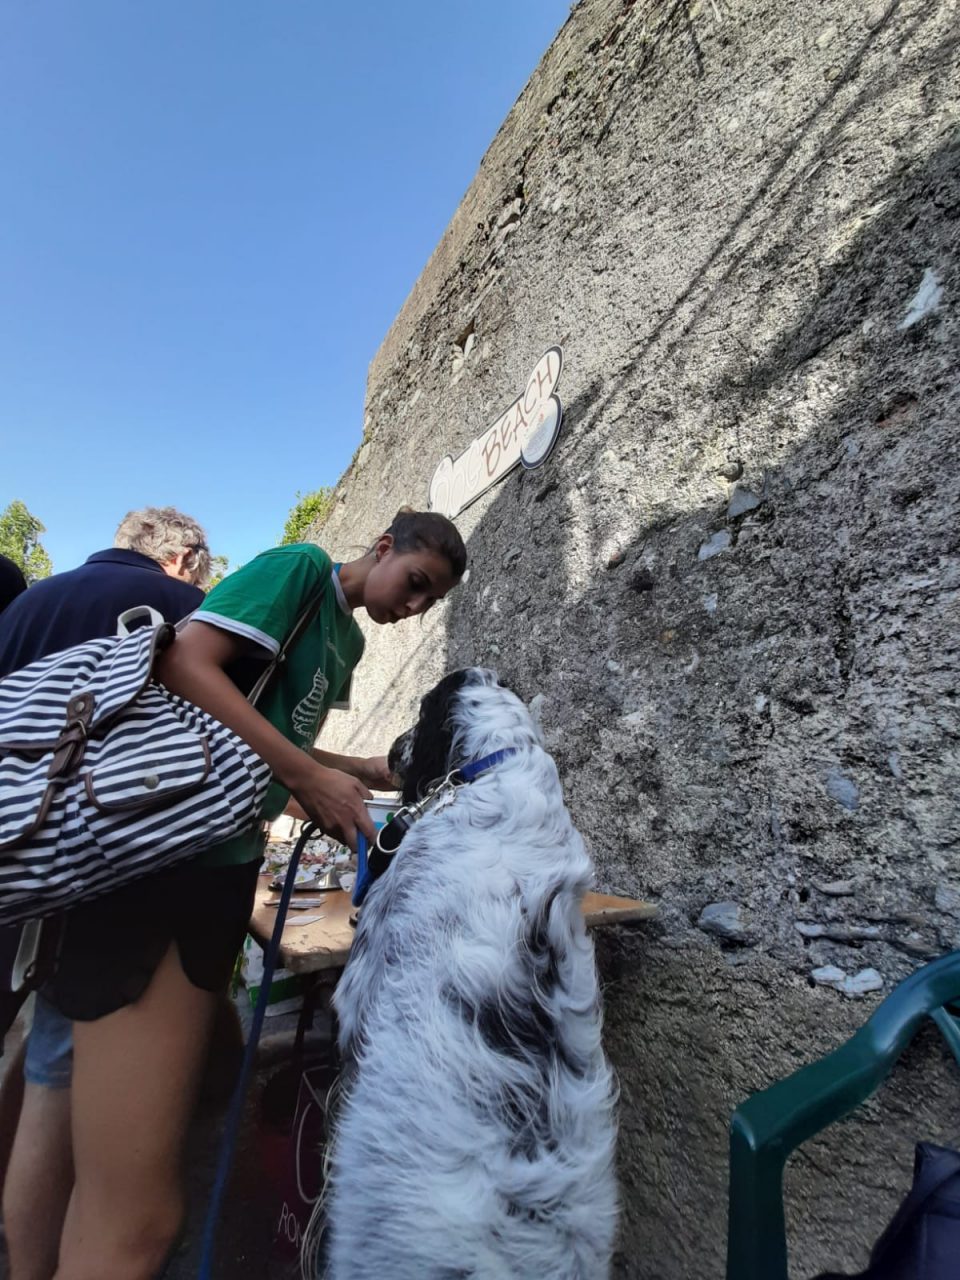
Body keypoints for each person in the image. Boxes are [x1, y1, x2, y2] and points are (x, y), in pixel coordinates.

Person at [14, 508, 466, 1280]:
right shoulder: (299, 568)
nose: (414, 606)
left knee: (61, 1115)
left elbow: (256, 729)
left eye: (430, 602)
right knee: (143, 1222)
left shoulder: (344, 639)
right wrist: (302, 775)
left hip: (182, 869)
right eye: (416, 582)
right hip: (173, 872)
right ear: (382, 546)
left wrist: (356, 771)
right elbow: (183, 661)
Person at [0, 507, 212, 1280]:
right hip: (107, 881)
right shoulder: (182, 613)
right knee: (80, 1106)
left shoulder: (29, 602)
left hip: (15, 865)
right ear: (185, 558)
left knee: (36, 1067)